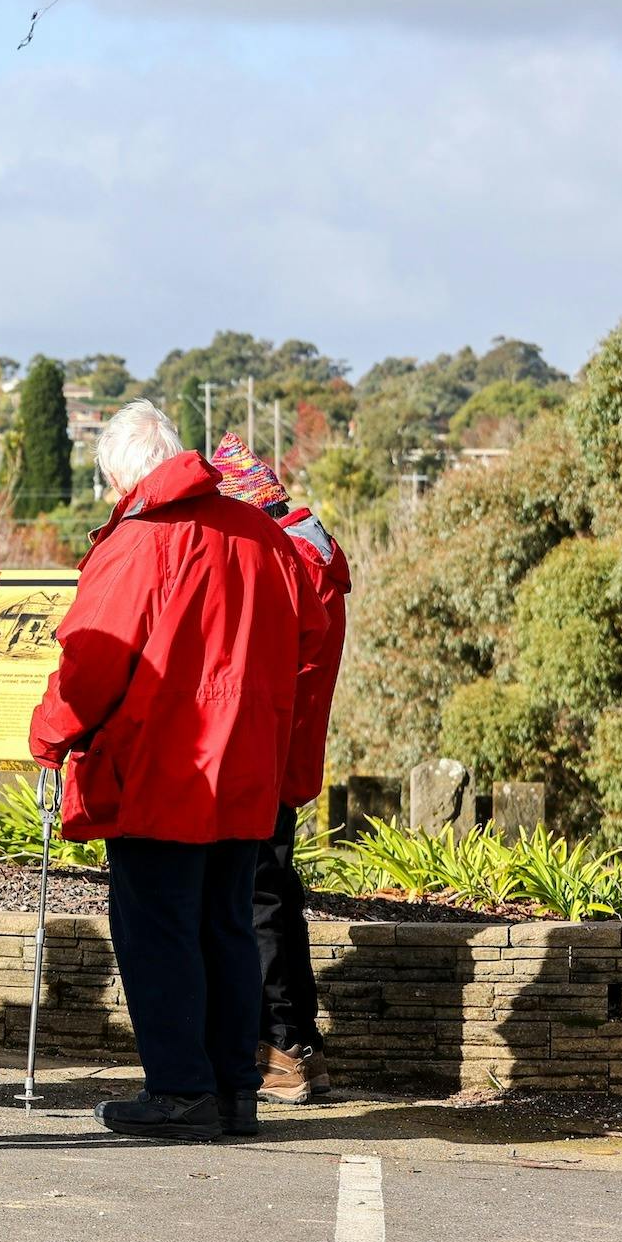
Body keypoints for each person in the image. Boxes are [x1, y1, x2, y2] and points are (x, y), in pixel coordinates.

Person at [29, 402, 326, 1143]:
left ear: (124, 474)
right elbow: (306, 645)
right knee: (226, 929)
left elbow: (92, 660)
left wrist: (49, 735)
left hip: (164, 770)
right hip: (245, 770)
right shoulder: (262, 536)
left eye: (106, 483)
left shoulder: (140, 543)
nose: (108, 498)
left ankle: (181, 1091)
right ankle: (234, 1091)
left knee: (158, 934)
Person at [211, 432, 352, 1105]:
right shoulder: (315, 557)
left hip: (259, 753)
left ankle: (282, 1047)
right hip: (287, 752)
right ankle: (303, 1046)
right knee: (276, 895)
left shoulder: (283, 562)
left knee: (259, 899)